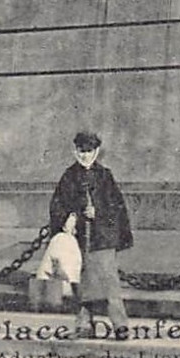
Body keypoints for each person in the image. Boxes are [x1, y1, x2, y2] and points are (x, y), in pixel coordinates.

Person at [50, 131, 133, 340]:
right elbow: (57, 204)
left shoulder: (105, 176)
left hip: (101, 238)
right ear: (74, 151)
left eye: (89, 151)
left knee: (109, 281)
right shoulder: (69, 176)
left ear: (96, 152)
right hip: (79, 239)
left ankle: (120, 324)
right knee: (80, 281)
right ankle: (84, 323)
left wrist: (99, 213)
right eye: (81, 151)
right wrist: (67, 218)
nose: (85, 156)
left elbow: (117, 208)